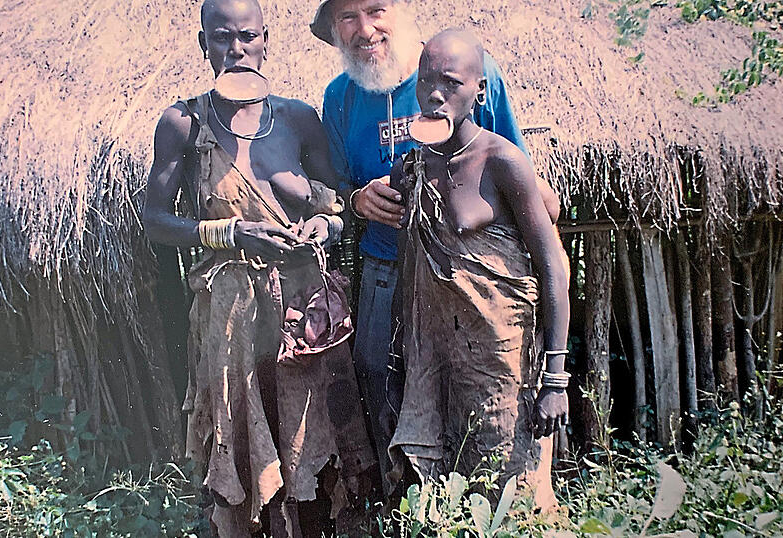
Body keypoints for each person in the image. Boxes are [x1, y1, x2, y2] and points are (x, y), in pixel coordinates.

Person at [143, 0, 375, 535]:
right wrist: (231, 233)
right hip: (230, 315)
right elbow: (156, 221)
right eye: (222, 38)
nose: (236, 48)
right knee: (242, 442)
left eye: (247, 36)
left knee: (305, 436)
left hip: (300, 309)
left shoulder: (297, 118)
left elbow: (337, 201)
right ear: (204, 45)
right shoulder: (184, 123)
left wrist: (325, 225)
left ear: (265, 40)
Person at [310, 0, 558, 490]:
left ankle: (494, 504)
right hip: (385, 266)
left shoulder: (465, 73)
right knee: (383, 382)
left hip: (467, 274)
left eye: (376, 9)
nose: (365, 29)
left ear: (400, 11)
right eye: (347, 18)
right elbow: (333, 188)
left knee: (480, 390)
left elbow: (516, 174)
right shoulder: (339, 98)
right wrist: (358, 199)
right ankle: (406, 507)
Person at [387, 29, 570, 507]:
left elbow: (553, 268)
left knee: (513, 492)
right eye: (425, 80)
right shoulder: (415, 165)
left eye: (450, 82)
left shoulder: (503, 162)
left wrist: (555, 379)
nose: (433, 94)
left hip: (501, 363)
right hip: (437, 363)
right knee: (445, 490)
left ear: (480, 91)